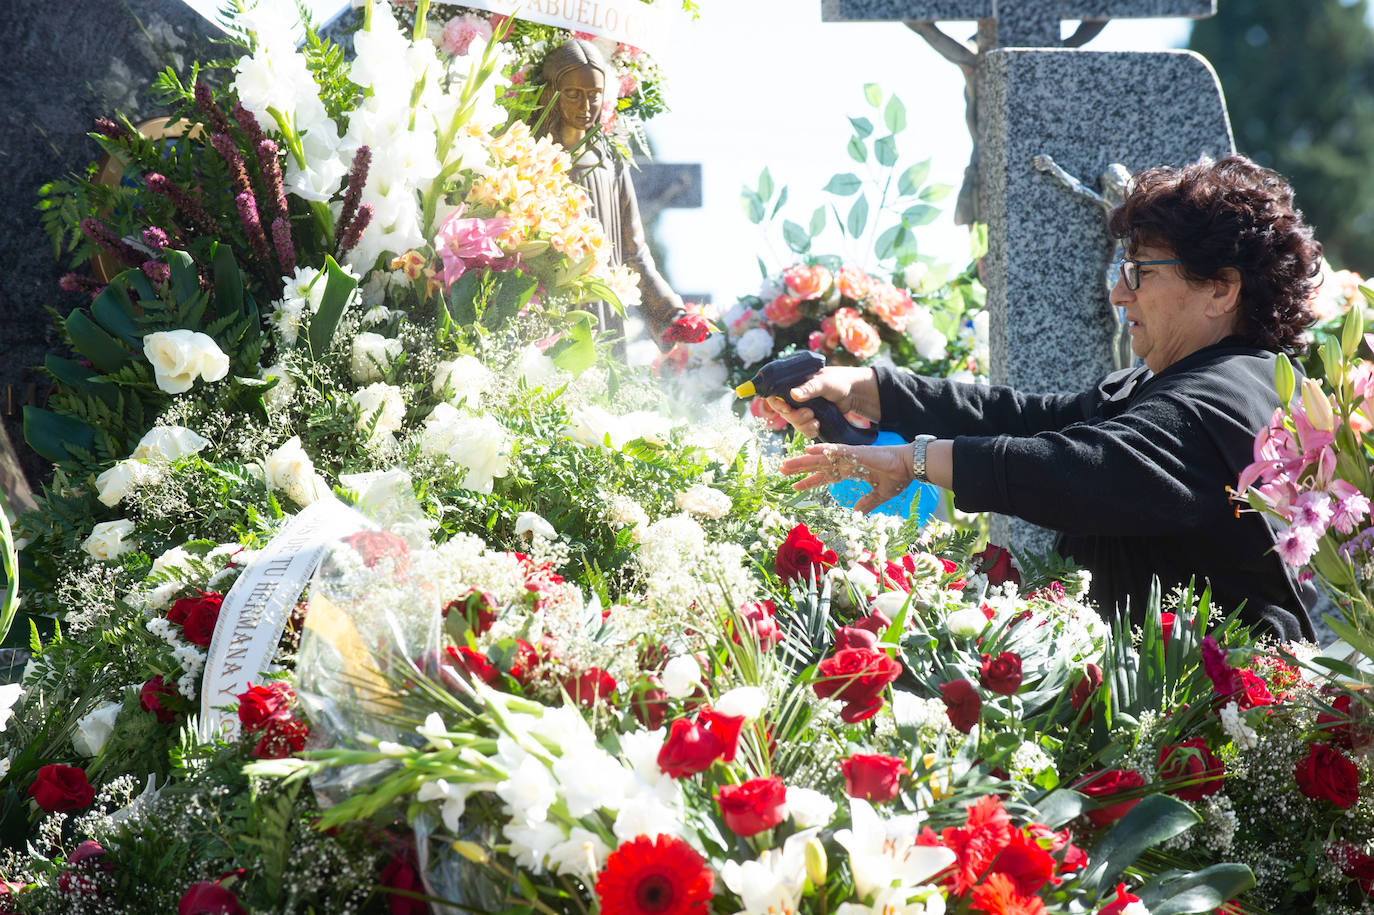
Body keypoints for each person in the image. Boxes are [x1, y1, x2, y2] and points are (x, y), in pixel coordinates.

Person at [769, 156, 1320, 640]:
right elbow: (1029, 420)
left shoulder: (1221, 396)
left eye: (1140, 272)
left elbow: (1084, 468)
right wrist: (866, 388)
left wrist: (911, 460)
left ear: (1221, 289)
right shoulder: (1180, 381)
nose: (1119, 291)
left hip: (1213, 741)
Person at [533, 39, 686, 350]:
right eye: (573, 95)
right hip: (547, 306)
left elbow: (634, 253)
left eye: (594, 96)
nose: (585, 106)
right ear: (551, 93)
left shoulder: (611, 163)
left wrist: (669, 308)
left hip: (603, 308)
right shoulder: (533, 156)